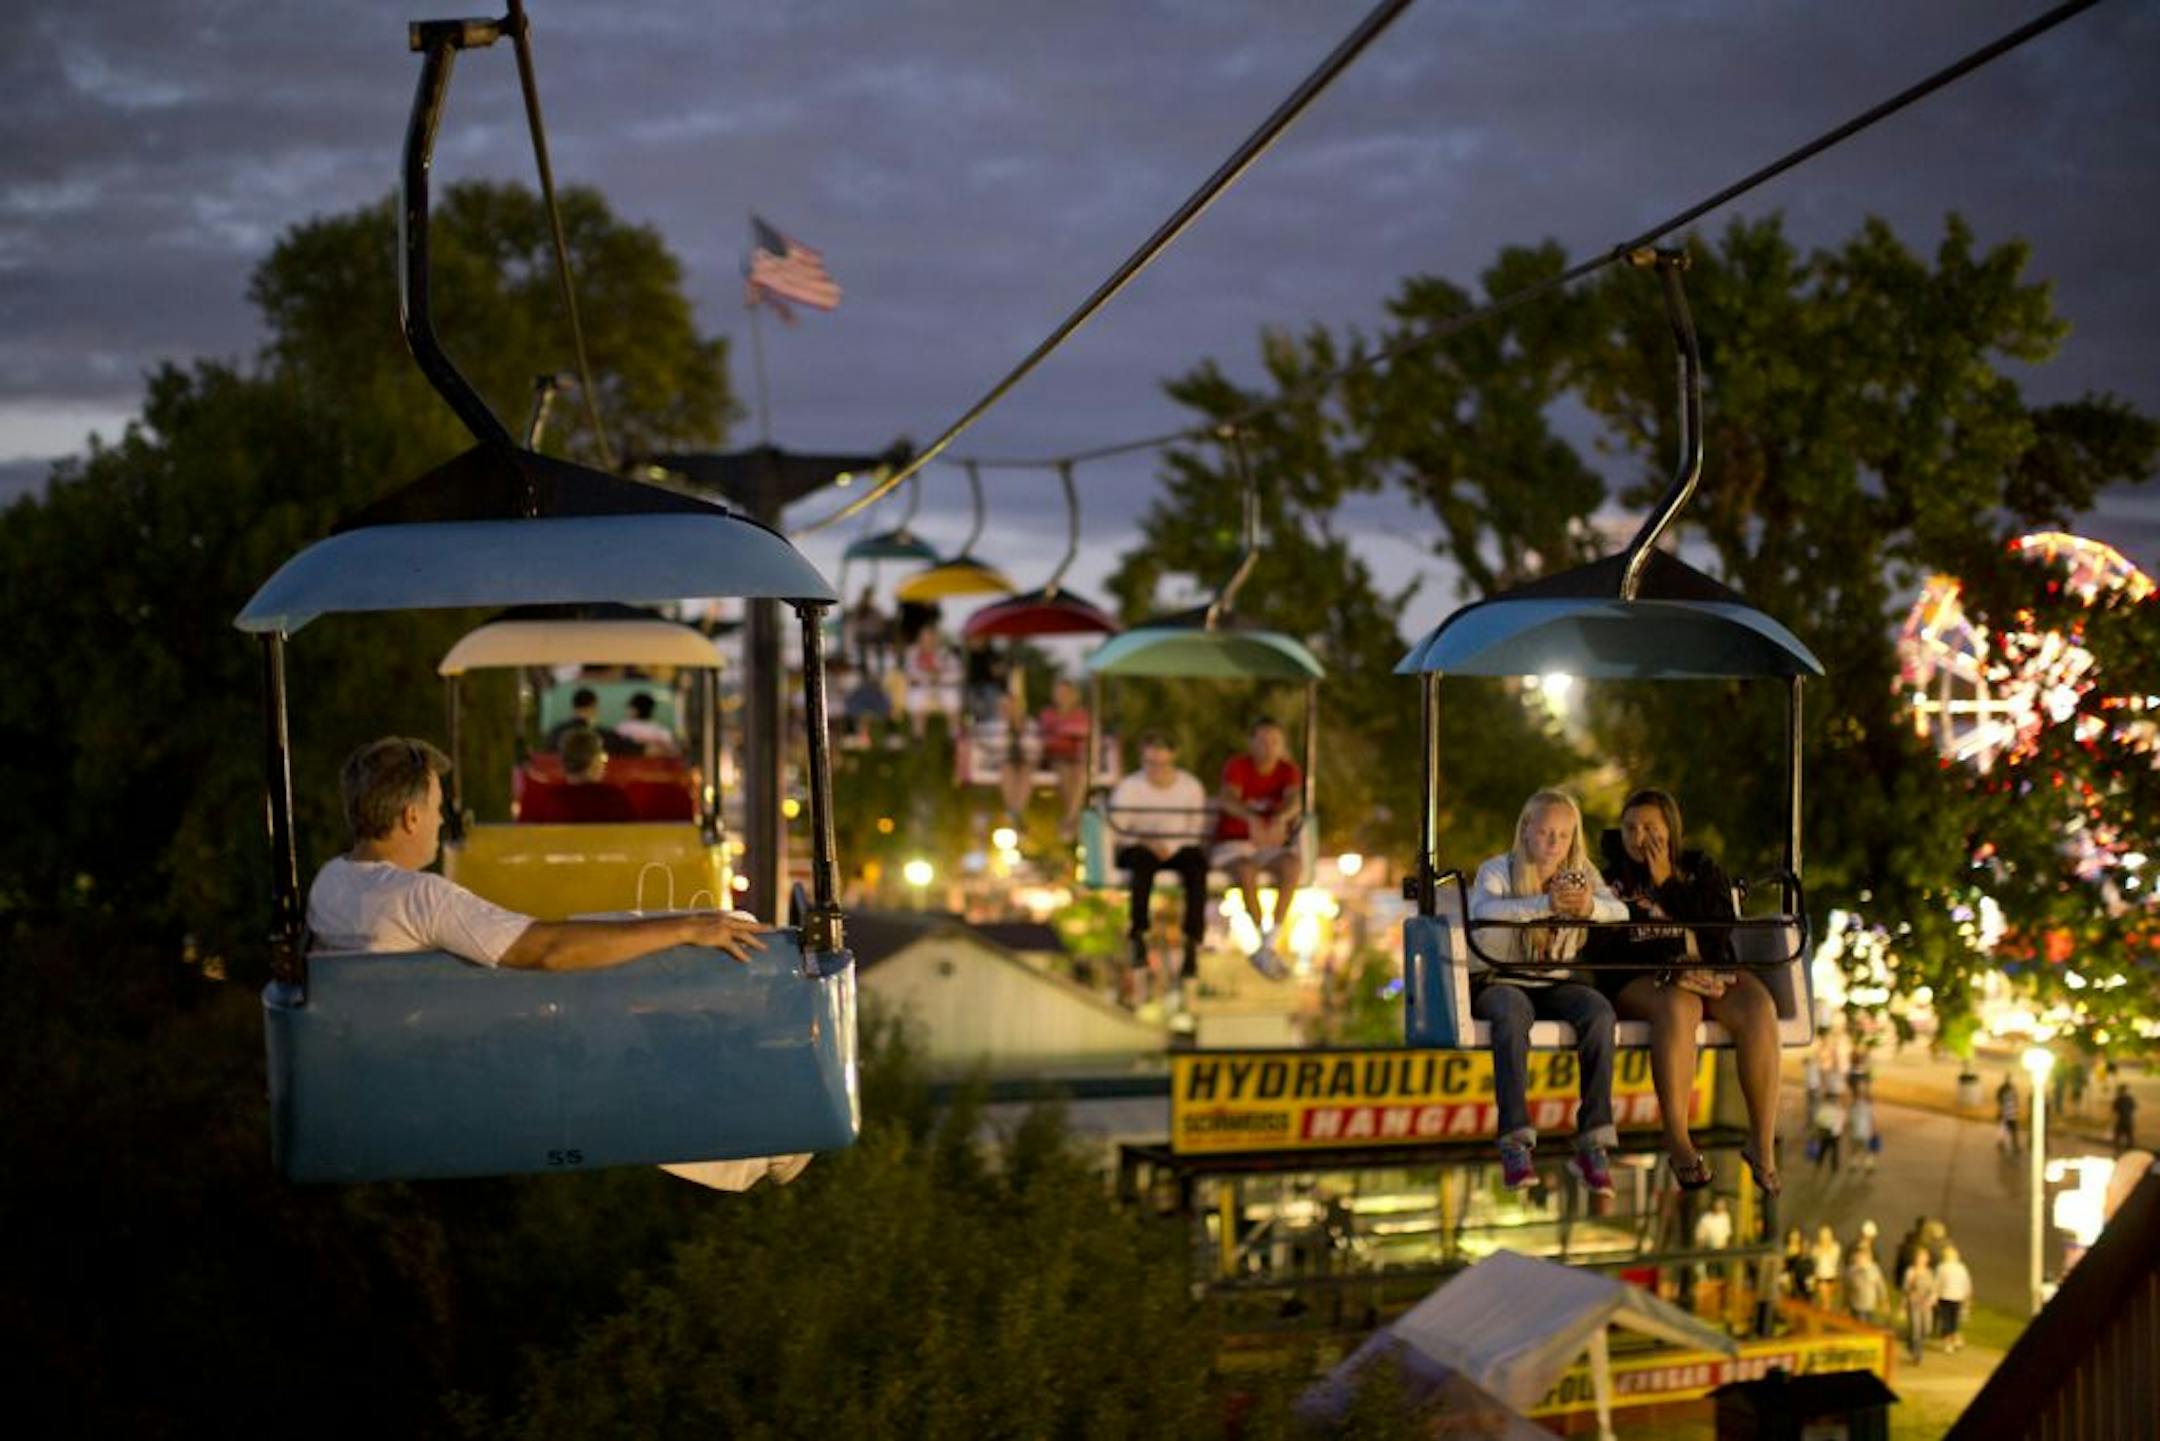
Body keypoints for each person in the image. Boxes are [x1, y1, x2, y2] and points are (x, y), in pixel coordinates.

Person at [308, 738, 802, 1190]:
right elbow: (550, 951)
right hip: (461, 1073)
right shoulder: (418, 898)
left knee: (612, 1010)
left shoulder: (331, 883)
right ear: (411, 817)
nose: (442, 820)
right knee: (620, 1028)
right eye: (438, 808)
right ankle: (765, 1146)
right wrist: (689, 928)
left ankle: (760, 1142)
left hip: (392, 1067)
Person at [1599, 788, 1783, 1196]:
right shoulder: (1610, 881)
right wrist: (1672, 970)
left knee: (1757, 1007)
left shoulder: (1700, 869)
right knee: (1679, 1006)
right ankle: (1678, 1139)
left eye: (1650, 827)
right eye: (1630, 828)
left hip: (1710, 969)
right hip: (1645, 980)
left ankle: (1761, 1142)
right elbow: (1604, 948)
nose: (1639, 837)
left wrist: (1667, 882)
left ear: (1671, 829)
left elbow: (1716, 929)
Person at [1467, 788, 1625, 1196]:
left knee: (1599, 1014)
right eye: (1546, 833)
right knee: (1511, 1013)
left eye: (1564, 835)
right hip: (1501, 979)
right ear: (1526, 831)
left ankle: (1594, 1141)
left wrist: (1588, 907)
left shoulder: (1580, 872)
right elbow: (1483, 912)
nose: (1555, 844)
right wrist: (1544, 903)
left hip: (1554, 980)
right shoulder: (1498, 870)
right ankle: (1516, 1139)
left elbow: (1619, 912)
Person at [1107, 732, 1212, 991]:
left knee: (1197, 866)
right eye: (1150, 763)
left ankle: (1192, 942)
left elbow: (1195, 827)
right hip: (1139, 847)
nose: (1156, 770)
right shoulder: (1129, 787)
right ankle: (1138, 934)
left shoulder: (1190, 786)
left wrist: (1170, 846)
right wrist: (1147, 841)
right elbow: (1118, 826)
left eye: (1162, 764)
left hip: (1178, 847)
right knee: (1141, 865)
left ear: (1173, 759)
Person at [1213, 716, 1306, 980]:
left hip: (1268, 846)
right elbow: (1228, 798)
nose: (1268, 746)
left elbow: (1294, 801)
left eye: (1274, 741)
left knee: (1292, 865)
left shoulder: (1288, 771)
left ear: (1282, 744)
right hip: (1233, 845)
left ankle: (1268, 942)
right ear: (1251, 742)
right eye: (1262, 740)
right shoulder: (1238, 767)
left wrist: (1278, 819)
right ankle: (1262, 940)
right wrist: (1251, 818)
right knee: (1246, 870)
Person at [1036, 678, 1093, 837]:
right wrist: (1064, 731)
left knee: (1079, 773)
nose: (1062, 695)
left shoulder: (1081, 713)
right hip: (1055, 757)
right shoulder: (1047, 713)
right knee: (1064, 770)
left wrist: (1062, 730)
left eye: (1065, 692)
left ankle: (1069, 818)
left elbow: (1084, 731)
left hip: (1076, 758)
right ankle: (1072, 819)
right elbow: (1046, 735)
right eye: (1059, 692)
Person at [552, 727, 637, 823]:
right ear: (594, 762)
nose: (604, 762)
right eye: (601, 756)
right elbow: (635, 833)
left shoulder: (550, 800)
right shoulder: (614, 799)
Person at [612, 691, 680, 756]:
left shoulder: (623, 727)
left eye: (630, 707)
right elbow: (675, 751)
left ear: (635, 710)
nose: (627, 710)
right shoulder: (660, 730)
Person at [1902, 1247, 1938, 1365]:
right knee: (1916, 1330)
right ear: (1916, 1259)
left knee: (1926, 1330)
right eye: (1919, 1257)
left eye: (1924, 1257)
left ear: (1927, 1259)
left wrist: (1931, 1300)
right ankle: (1918, 1355)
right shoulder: (1910, 1271)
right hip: (1914, 1304)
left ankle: (1910, 1344)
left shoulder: (1929, 1272)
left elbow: (1933, 1289)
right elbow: (1906, 1289)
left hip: (1926, 1305)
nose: (1921, 1260)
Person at [1935, 1243, 1973, 1353]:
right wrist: (1967, 1298)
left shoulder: (1942, 1267)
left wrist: (1935, 1295)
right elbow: (1967, 1284)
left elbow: (1937, 1283)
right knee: (1954, 1321)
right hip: (1958, 1297)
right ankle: (1954, 1339)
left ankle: (1949, 1343)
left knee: (1946, 1321)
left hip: (1945, 1297)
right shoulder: (1961, 1267)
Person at [1845, 1244, 1887, 1327]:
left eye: (1862, 1257)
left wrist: (1883, 1300)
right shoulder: (1851, 1270)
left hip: (1868, 1304)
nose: (1859, 1259)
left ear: (1868, 1258)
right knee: (1854, 1325)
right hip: (1854, 1304)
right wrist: (1845, 1304)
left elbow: (1880, 1286)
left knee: (1864, 1326)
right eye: (1858, 1257)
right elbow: (1847, 1288)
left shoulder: (1874, 1269)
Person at [1847, 1077, 1879, 1173]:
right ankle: (1868, 1165)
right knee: (1867, 1150)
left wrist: (1849, 1129)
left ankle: (1854, 1164)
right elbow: (1873, 1119)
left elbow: (1850, 1120)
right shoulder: (1868, 1105)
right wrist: (1874, 1130)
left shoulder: (1853, 1105)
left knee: (1855, 1149)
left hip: (1856, 1131)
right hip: (1865, 1132)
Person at [1811, 1090, 1846, 1177]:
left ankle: (1819, 1164)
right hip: (1834, 1133)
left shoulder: (1824, 1108)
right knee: (1834, 1150)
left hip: (1826, 1132)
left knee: (1824, 1149)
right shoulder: (1839, 1108)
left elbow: (1818, 1120)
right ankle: (1834, 1167)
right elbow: (1842, 1120)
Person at [1810, 1224, 1843, 1309]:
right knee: (1825, 1300)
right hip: (1821, 1277)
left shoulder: (1835, 1247)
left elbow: (1834, 1261)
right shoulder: (1816, 1248)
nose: (1825, 1237)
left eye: (1827, 1234)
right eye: (1823, 1234)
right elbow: (1814, 1261)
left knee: (1829, 1301)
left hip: (1832, 1277)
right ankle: (1824, 1315)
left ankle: (1826, 1316)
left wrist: (1826, 1249)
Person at [1997, 1074, 2021, 1154]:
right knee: (2012, 1130)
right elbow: (2015, 1102)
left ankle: (2003, 1143)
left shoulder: (2004, 1089)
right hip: (2010, 1114)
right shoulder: (2010, 1091)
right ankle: (2015, 1145)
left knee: (2004, 1129)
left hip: (2007, 1114)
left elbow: (1999, 1099)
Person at [2113, 1083, 2139, 1153]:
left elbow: (2115, 1110)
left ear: (2120, 1091)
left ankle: (2117, 1151)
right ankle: (2130, 1151)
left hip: (2121, 1120)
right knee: (2129, 1136)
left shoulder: (2118, 1099)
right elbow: (2134, 1107)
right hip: (2129, 1119)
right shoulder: (2130, 1099)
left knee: (2117, 1136)